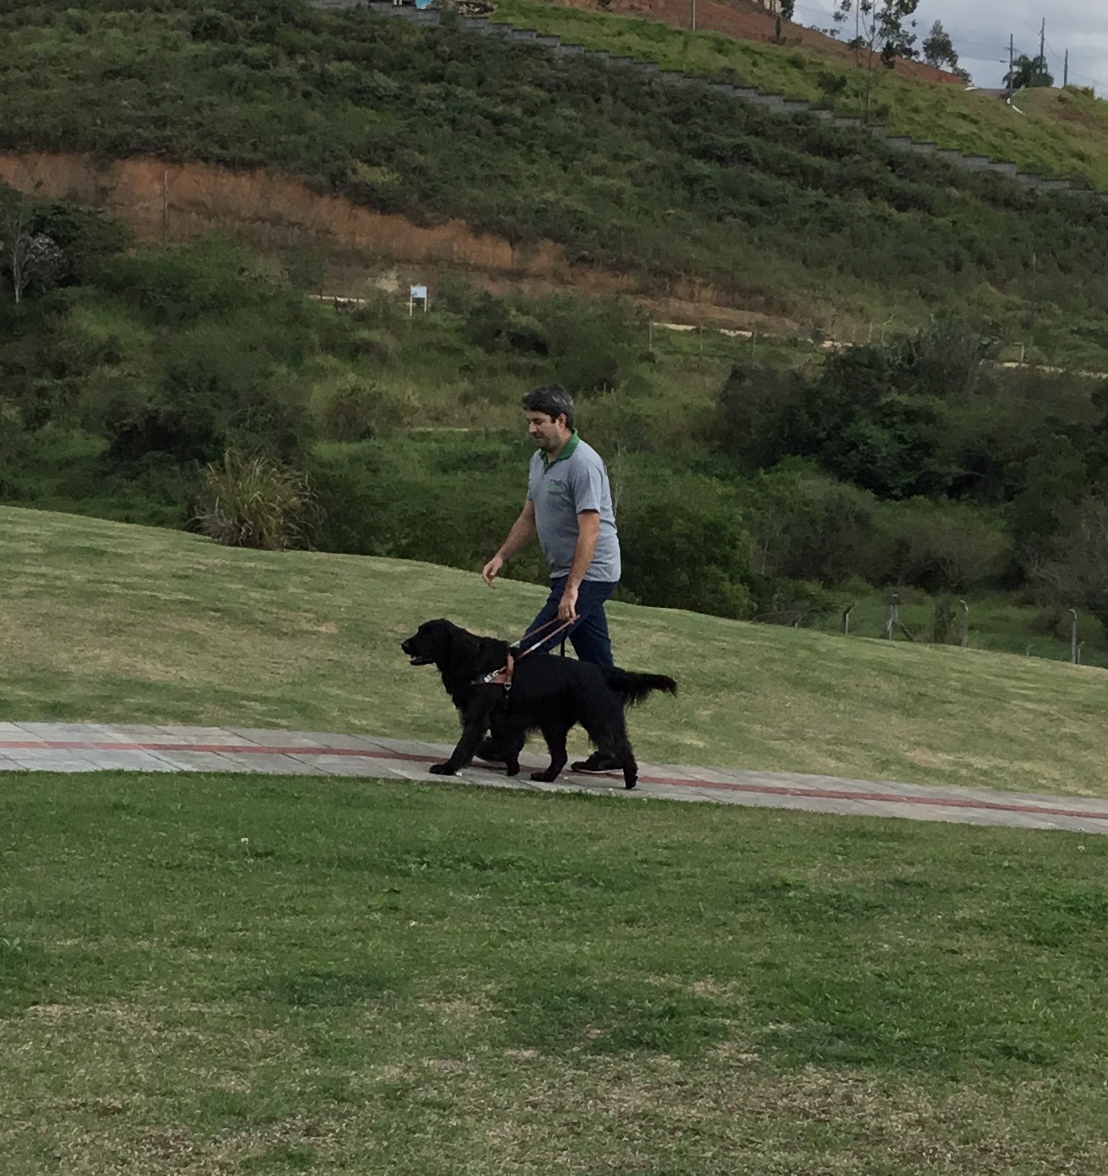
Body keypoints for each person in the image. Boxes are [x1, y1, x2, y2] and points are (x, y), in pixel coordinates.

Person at [480, 384, 623, 772]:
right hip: (568, 574)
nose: (531, 429)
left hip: (590, 575)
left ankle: (505, 741)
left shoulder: (584, 464)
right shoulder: (540, 460)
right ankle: (613, 747)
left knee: (526, 654)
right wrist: (502, 555)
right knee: (598, 667)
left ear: (562, 420)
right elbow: (530, 515)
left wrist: (572, 589)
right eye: (529, 421)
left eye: (538, 421)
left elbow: (590, 529)